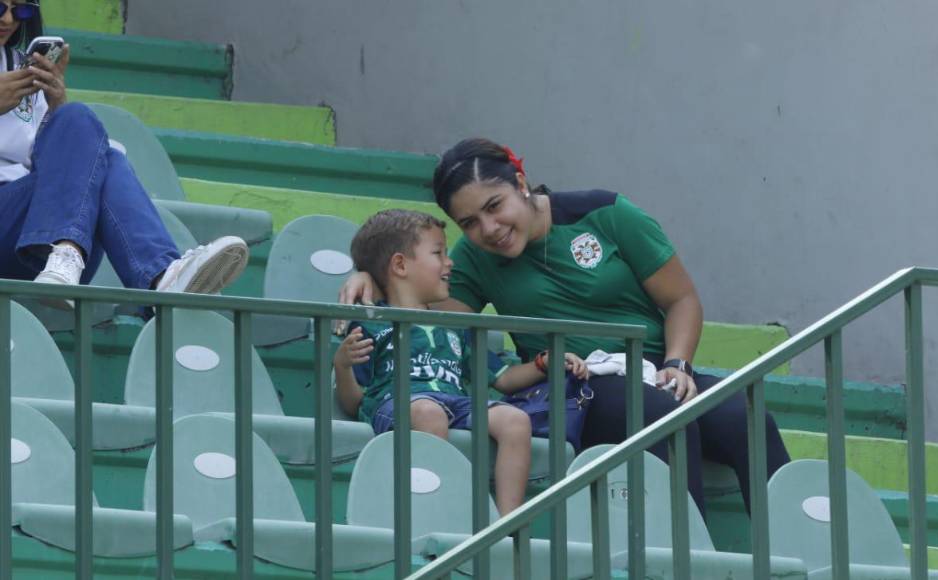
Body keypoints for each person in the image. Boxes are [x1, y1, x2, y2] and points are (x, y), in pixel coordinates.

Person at [340, 138, 791, 515]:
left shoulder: (606, 212)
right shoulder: (475, 259)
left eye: (495, 206)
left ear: (520, 183)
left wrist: (678, 363)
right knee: (658, 414)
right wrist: (367, 273)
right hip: (573, 385)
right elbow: (421, 304)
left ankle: (794, 561)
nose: (489, 229)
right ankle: (682, 561)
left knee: (746, 418)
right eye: (470, 223)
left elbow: (682, 300)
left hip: (652, 369)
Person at [333, 209, 589, 515]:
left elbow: (503, 379)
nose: (449, 262)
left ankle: (506, 523)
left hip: (455, 402)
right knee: (428, 412)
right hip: (400, 405)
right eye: (439, 253)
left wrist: (543, 364)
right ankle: (432, 507)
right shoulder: (372, 324)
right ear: (400, 264)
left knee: (515, 420)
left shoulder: (455, 324)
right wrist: (342, 365)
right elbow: (353, 402)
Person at [0, 0, 249, 309]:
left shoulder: (23, 68)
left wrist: (55, 104)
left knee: (80, 125)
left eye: (21, 9)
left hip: (33, 242)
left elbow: (49, 164)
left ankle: (94, 262)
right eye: (0, 7)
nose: (9, 19)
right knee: (100, 153)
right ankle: (158, 276)